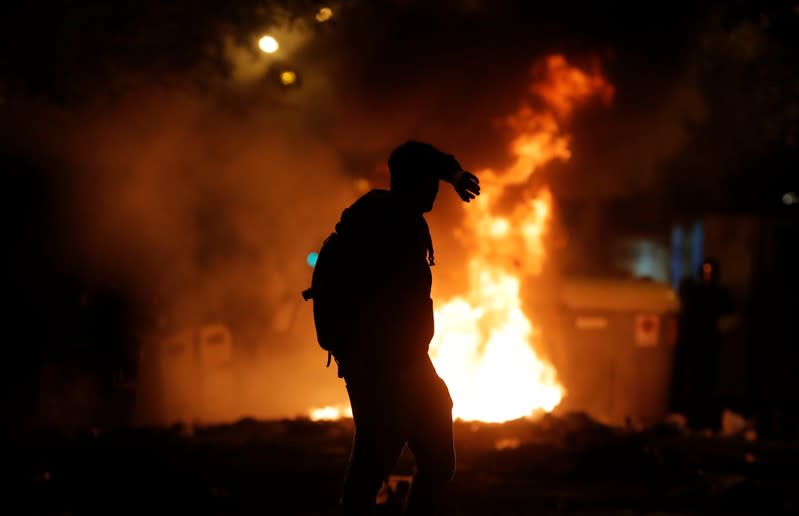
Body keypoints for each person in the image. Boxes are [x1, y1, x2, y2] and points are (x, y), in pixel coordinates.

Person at [332, 141, 480, 515]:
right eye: (431, 182)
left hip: (410, 364)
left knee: (435, 460)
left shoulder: (398, 215)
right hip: (381, 370)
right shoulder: (384, 224)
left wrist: (454, 174)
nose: (435, 190)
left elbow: (421, 156)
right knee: (372, 466)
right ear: (414, 182)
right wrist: (381, 371)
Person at [670, 258, 734, 431]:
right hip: (694, 347)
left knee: (707, 386)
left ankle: (702, 420)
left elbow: (728, 317)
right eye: (704, 271)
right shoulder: (696, 293)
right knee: (693, 385)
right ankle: (693, 419)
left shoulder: (718, 294)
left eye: (710, 271)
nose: (707, 275)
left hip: (709, 348)